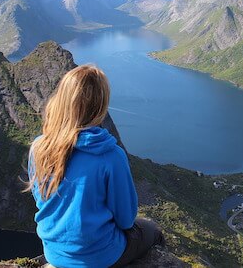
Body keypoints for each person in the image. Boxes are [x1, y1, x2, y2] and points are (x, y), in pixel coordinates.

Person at [26, 65, 164, 267]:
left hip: (54, 253)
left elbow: (42, 200)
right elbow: (126, 220)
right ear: (100, 107)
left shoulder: (39, 147)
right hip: (100, 257)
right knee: (152, 232)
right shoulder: (110, 156)